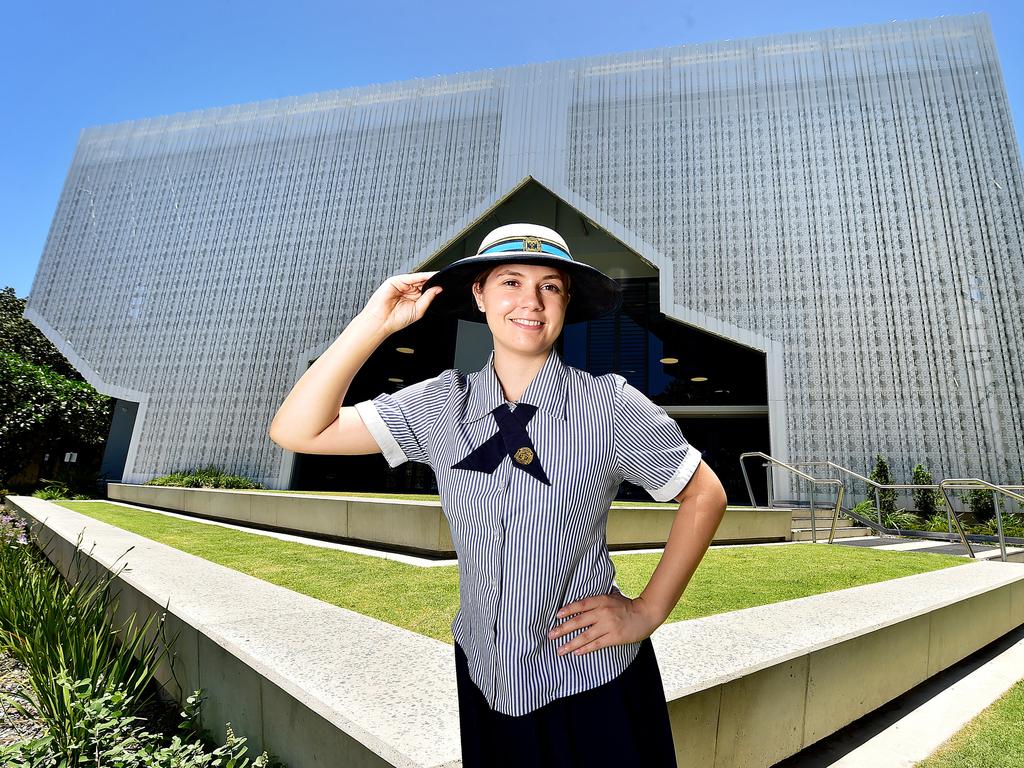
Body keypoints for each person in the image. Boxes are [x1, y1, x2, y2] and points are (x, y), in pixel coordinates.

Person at [269, 223, 728, 767]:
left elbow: (706, 494)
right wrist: (375, 323)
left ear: (565, 302)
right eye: (510, 281)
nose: (530, 301)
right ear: (479, 296)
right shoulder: (440, 405)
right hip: (485, 674)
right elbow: (299, 431)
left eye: (550, 286)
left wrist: (647, 611)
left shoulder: (607, 403)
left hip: (592, 677)